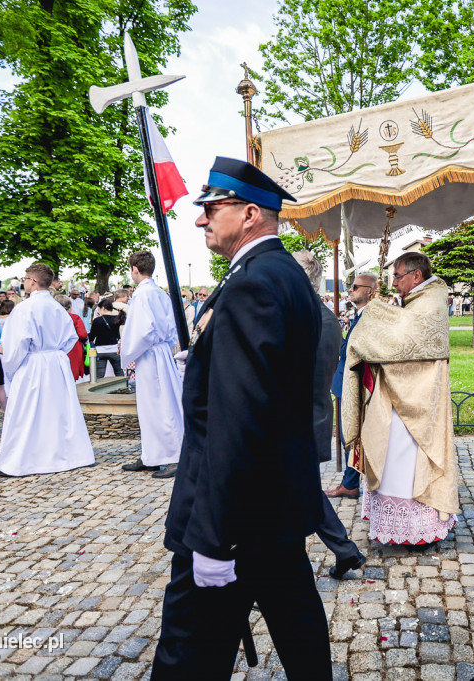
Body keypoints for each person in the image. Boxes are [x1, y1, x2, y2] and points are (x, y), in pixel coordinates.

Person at [151, 157, 331, 680]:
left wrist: (213, 538)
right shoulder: (278, 273)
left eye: (211, 207)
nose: (200, 218)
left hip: (237, 510)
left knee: (188, 649)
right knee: (297, 625)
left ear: (250, 213)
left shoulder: (255, 281)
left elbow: (240, 418)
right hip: (272, 501)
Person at [342, 251, 460, 546]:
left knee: (408, 459)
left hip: (416, 397)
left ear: (416, 276)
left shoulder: (431, 300)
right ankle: (397, 524)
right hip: (397, 396)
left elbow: (405, 340)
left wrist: (376, 312)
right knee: (392, 453)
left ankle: (415, 529)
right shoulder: (417, 298)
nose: (393, 283)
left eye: (397, 276)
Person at [293, 250, 367, 580]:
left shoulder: (300, 316)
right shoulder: (323, 315)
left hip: (296, 420)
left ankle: (274, 577)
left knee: (291, 493)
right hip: (314, 415)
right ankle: (346, 552)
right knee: (302, 492)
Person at [0, 264, 95, 477]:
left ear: (32, 281)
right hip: (56, 363)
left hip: (33, 363)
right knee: (59, 411)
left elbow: (17, 344)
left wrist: (11, 368)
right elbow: (71, 338)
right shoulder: (57, 309)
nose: (24, 282)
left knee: (26, 411)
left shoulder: (24, 309)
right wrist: (56, 353)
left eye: (25, 278)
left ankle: (20, 460)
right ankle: (71, 454)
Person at [118, 251, 184, 479]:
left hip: (150, 354)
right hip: (160, 352)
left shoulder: (143, 294)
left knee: (161, 404)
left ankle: (175, 456)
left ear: (135, 269)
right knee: (150, 406)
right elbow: (173, 326)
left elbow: (141, 331)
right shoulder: (159, 294)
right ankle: (152, 455)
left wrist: (127, 352)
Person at [326, 272, 378, 500]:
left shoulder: (370, 317)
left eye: (356, 286)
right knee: (349, 431)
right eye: (351, 285)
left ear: (370, 291)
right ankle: (350, 481)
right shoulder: (360, 314)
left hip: (354, 383)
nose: (351, 289)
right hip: (344, 381)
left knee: (352, 432)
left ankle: (350, 483)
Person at [56, 294, 88, 382]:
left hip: (56, 347)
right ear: (70, 306)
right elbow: (82, 334)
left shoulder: (51, 318)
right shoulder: (75, 317)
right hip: (73, 347)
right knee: (73, 371)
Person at [88, 300, 124, 378]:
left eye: (99, 309)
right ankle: (124, 387)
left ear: (103, 308)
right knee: (119, 372)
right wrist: (120, 310)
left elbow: (91, 337)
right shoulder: (116, 319)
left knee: (99, 375)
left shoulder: (97, 321)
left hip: (100, 350)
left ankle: (99, 389)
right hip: (114, 350)